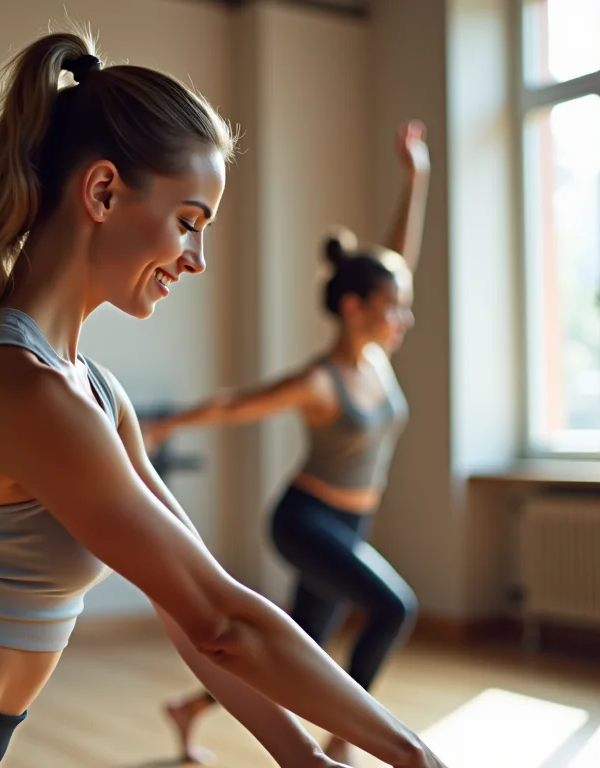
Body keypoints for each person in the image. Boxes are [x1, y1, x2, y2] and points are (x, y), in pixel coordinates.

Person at [0, 29, 446, 768]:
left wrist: (299, 754)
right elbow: (224, 620)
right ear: (102, 191)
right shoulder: (22, 387)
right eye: (189, 222)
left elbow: (190, 613)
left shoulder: (92, 390)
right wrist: (412, 754)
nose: (198, 258)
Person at [144, 121, 430, 766]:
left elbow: (396, 263)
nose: (404, 316)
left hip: (352, 525)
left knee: (293, 652)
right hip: (306, 521)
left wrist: (417, 180)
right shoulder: (319, 382)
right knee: (393, 608)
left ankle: (189, 709)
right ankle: (349, 740)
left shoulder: (379, 358)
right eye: (394, 306)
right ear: (355, 307)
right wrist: (163, 427)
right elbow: (234, 404)